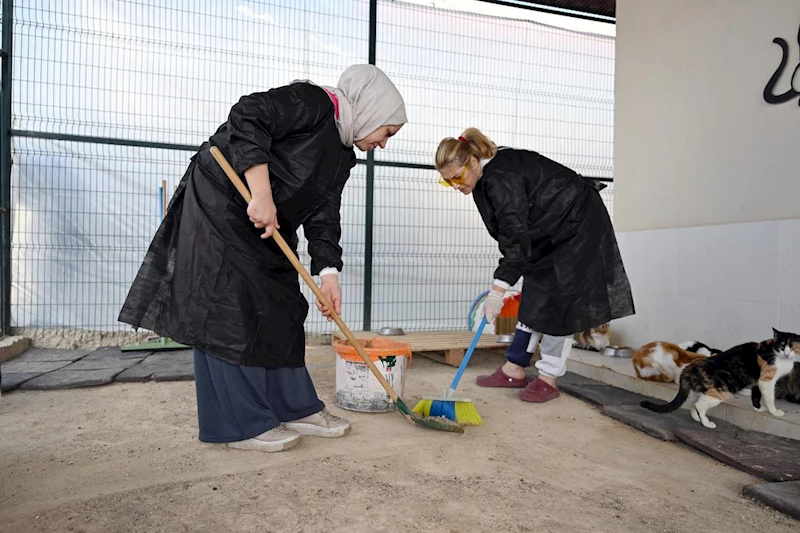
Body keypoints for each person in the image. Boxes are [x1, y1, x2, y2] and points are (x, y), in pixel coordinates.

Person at [119, 65, 407, 452]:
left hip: (265, 217)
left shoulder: (342, 154)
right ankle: (241, 422)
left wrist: (329, 273)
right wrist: (261, 193)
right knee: (230, 307)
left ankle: (293, 406)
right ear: (370, 108)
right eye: (387, 132)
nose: (385, 144)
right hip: (221, 201)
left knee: (285, 304)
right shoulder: (313, 102)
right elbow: (247, 114)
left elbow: (324, 212)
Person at [434, 128, 634, 403]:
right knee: (537, 289)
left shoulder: (501, 179)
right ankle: (514, 368)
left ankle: (548, 378)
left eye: (457, 177)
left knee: (560, 301)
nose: (455, 186)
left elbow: (515, 240)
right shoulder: (484, 178)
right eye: (447, 182)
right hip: (548, 231)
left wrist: (498, 291)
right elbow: (512, 237)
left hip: (578, 226)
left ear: (472, 162)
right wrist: (503, 283)